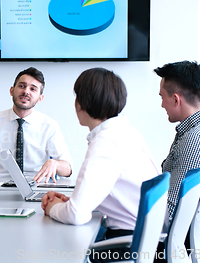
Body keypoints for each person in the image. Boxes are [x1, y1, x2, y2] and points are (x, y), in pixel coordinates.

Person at [41, 68, 160, 263]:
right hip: (143, 241)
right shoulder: (125, 132)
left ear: (82, 103)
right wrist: (71, 200)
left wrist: (52, 208)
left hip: (125, 245)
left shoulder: (106, 142)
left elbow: (77, 215)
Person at [0, 67, 73, 183]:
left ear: (40, 98)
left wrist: (55, 164)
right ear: (11, 90)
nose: (26, 91)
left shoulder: (49, 126)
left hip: (37, 186)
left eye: (33, 89)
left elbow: (68, 169)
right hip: (0, 189)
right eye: (22, 86)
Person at [155, 61, 200, 222]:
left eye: (162, 97)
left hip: (161, 240)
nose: (161, 104)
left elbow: (171, 213)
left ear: (175, 99)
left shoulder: (195, 140)